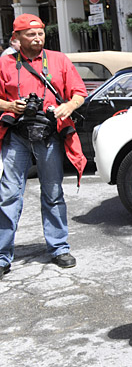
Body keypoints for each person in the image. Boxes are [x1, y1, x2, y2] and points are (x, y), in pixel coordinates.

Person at [0, 14, 88, 279]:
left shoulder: (58, 60)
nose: (38, 38)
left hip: (49, 135)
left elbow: (79, 93)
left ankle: (59, 248)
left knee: (52, 193)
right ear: (16, 38)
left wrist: (67, 106)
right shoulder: (5, 63)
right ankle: (3, 256)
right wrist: (8, 106)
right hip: (17, 135)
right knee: (9, 196)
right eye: (31, 34)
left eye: (41, 33)